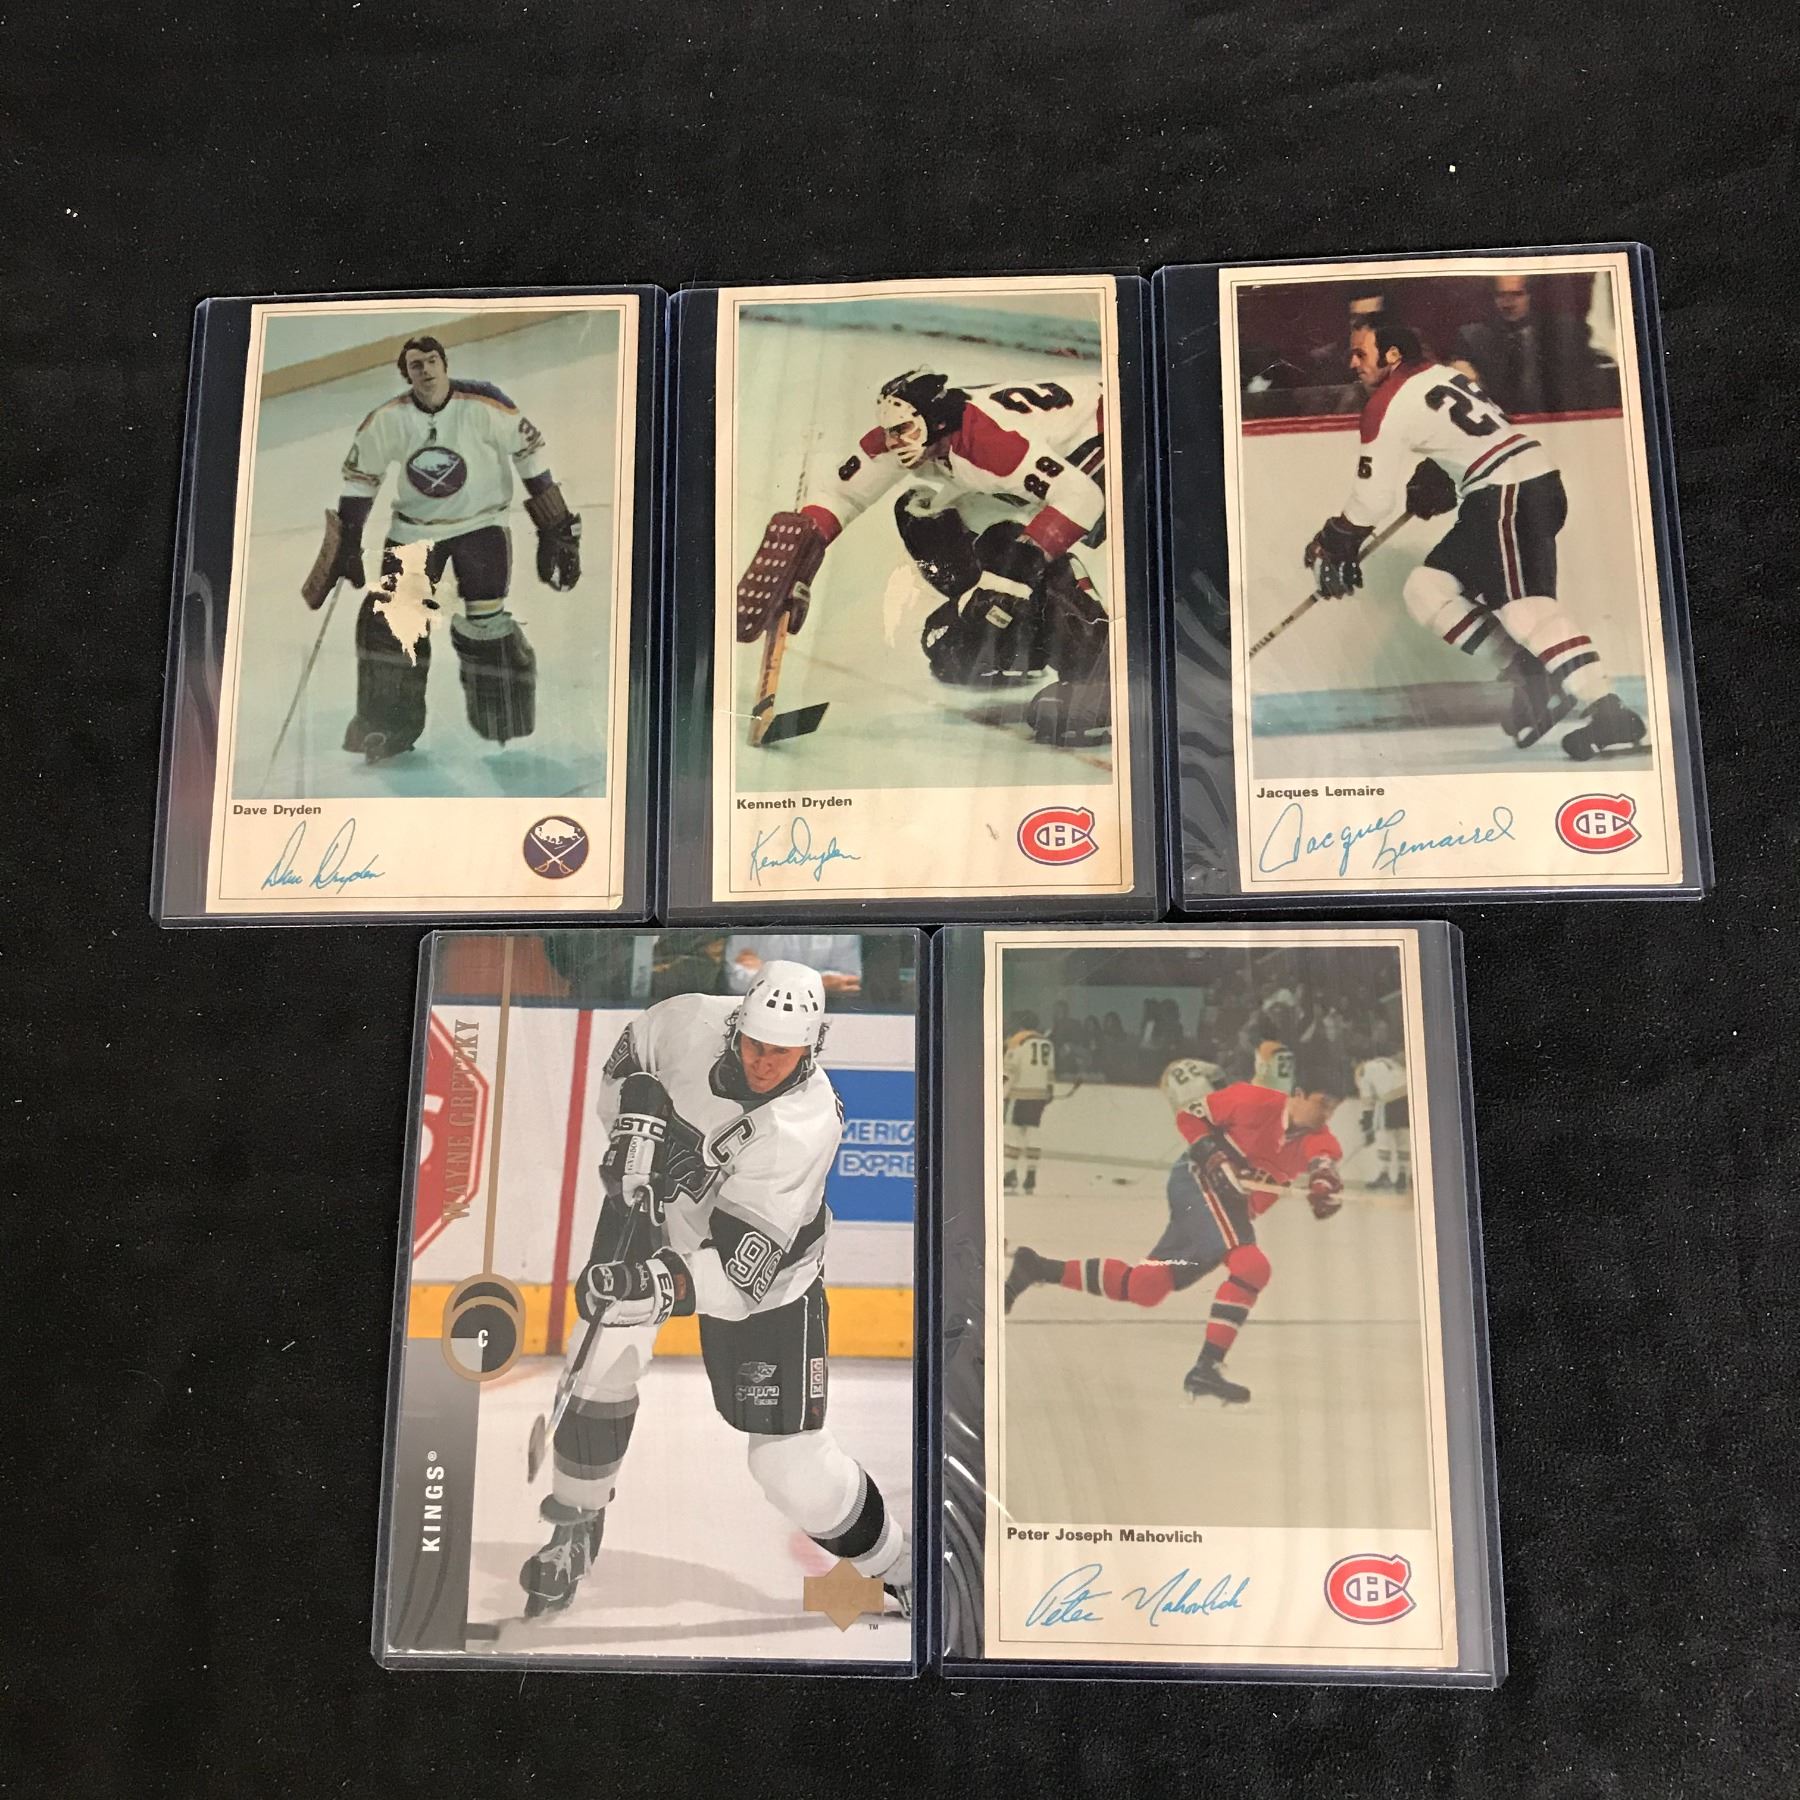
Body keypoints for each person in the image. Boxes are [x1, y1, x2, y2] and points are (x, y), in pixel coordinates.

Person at [520, 961, 910, 1620]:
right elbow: (627, 1067)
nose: (764, 1063)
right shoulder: (686, 1020)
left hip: (766, 1284)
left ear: (812, 1047)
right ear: (735, 1026)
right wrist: (631, 1131)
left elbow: (736, 1277)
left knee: (789, 1467)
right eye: (755, 1044)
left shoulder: (803, 1127)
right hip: (652, 1215)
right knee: (601, 1363)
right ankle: (573, 1530)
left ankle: (899, 1567)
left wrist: (650, 1285)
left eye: (783, 1052)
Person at [1303, 317, 1646, 761]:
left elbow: (1372, 501)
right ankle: (1532, 677)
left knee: (1524, 608)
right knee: (1427, 589)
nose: (1352, 363)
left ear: (1392, 354)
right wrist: (1437, 474)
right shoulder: (1442, 375)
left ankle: (1607, 709)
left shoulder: (1384, 404)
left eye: (1360, 352)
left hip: (1507, 493)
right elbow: (1474, 434)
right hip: (1510, 489)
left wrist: (1336, 538)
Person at [735, 367, 1113, 743]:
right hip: (1052, 455)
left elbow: (1081, 497)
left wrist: (1015, 571)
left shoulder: (989, 442)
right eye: (890, 431)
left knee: (1020, 555)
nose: (893, 441)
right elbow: (841, 494)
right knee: (924, 518)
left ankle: (1101, 675)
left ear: (936, 424)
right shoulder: (915, 431)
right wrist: (803, 549)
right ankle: (1014, 638)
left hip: (1113, 430)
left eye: (903, 431)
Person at [1002, 1048, 1347, 1406]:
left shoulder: (1320, 1138)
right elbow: (1189, 1116)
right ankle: (1206, 1368)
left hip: (1227, 1211)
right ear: (1298, 1093)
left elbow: (1324, 1165)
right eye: (1322, 1103)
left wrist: (1324, 1189)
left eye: (1334, 1108)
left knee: (1145, 1287)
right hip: (1196, 1181)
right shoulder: (1252, 1100)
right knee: (1252, 1266)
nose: (1326, 1114)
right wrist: (1212, 1155)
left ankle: (1036, 1267)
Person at [300, 335, 583, 762]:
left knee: (487, 623)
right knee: (393, 623)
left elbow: (528, 454)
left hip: (481, 526)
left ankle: (501, 717)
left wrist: (556, 524)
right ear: (407, 375)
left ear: (444, 364)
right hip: (416, 531)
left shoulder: (485, 403)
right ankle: (388, 727)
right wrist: (348, 538)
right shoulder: (388, 419)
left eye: (432, 361)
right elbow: (361, 478)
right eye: (416, 365)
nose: (426, 370)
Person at [1453, 276, 1603, 416]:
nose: (1508, 303)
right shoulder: (1473, 338)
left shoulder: (1562, 333)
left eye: (1517, 294)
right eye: (1501, 295)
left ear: (1531, 296)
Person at [1002, 1011, 1056, 1194]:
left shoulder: (1017, 1040)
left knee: (1013, 1135)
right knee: (1033, 1134)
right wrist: (1049, 1090)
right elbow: (1050, 1072)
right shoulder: (1047, 1043)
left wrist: (999, 1089)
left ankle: (1010, 1175)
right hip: (1039, 1095)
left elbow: (1008, 1070)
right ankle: (1031, 1177)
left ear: (1020, 1024)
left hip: (1019, 1094)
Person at [1356, 1052, 1411, 1192]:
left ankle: (1385, 1175)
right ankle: (1402, 1176)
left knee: (1384, 1140)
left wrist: (1367, 1130)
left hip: (1388, 1102)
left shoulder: (1363, 1073)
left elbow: (1368, 1103)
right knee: (1403, 1140)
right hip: (1407, 1099)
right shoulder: (1387, 1062)